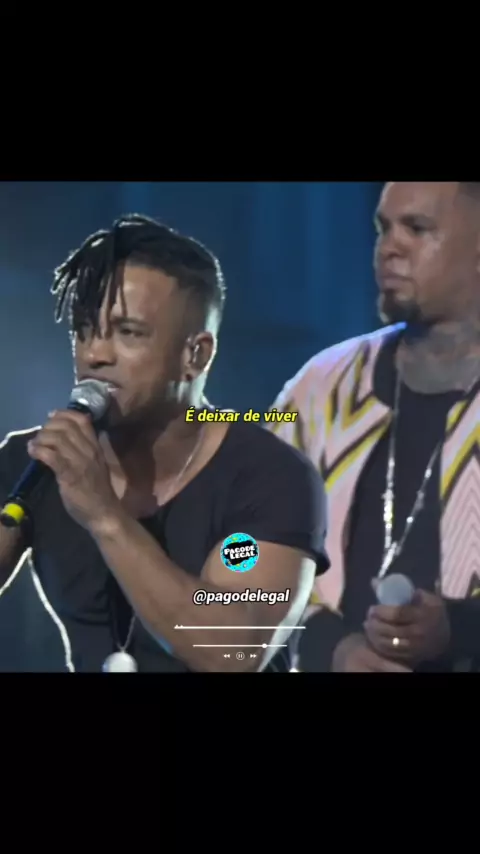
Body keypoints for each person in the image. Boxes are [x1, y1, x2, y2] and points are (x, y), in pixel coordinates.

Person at [0, 214, 328, 673]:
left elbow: (233, 652)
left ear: (196, 355)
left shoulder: (271, 476)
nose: (95, 354)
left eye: (128, 332)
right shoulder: (37, 463)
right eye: (83, 330)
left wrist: (104, 515)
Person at [269, 181, 480, 672]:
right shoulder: (321, 387)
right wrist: (330, 649)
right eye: (383, 228)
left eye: (417, 228)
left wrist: (458, 628)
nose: (390, 248)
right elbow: (244, 552)